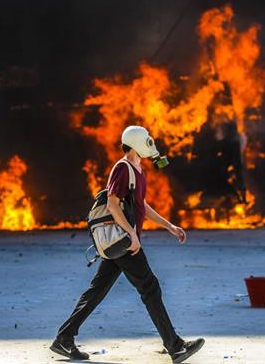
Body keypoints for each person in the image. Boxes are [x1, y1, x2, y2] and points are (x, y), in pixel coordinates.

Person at [50, 126, 205, 363]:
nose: (150, 145)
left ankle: (64, 338)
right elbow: (112, 203)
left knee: (96, 291)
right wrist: (131, 233)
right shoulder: (122, 168)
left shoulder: (137, 170)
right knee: (150, 287)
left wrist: (169, 226)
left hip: (123, 242)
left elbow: (142, 206)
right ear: (135, 143)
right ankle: (175, 346)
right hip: (125, 242)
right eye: (146, 141)